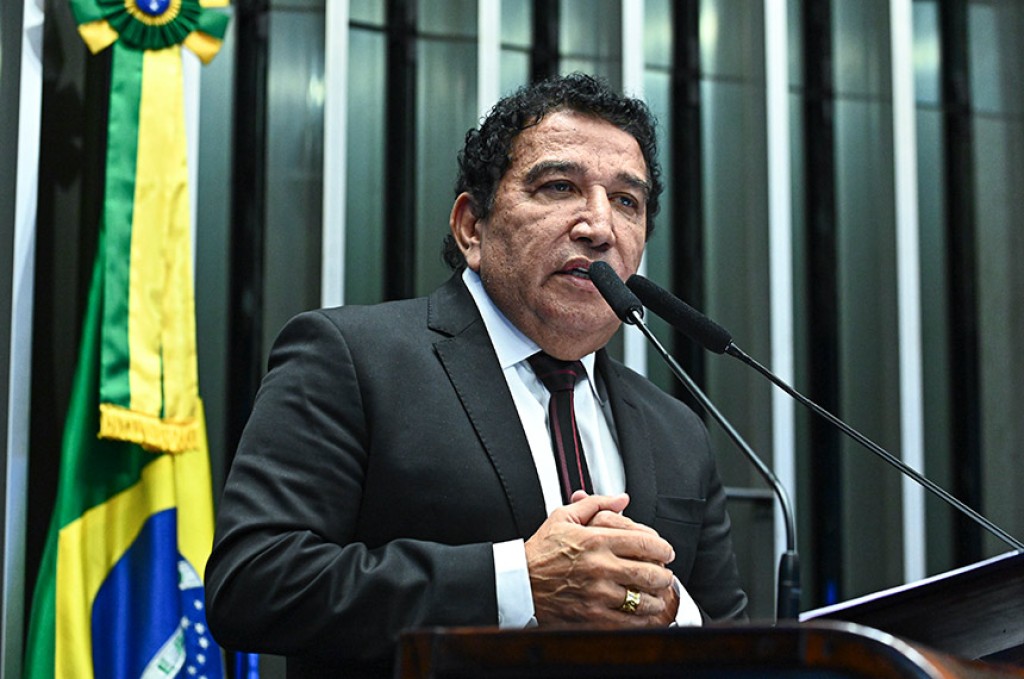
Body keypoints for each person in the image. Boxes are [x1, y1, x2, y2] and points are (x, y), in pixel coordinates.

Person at [205, 73, 747, 678]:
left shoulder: (678, 428)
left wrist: (668, 609)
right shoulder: (350, 359)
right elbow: (255, 584)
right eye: (560, 187)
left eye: (627, 201)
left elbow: (732, 640)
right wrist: (518, 583)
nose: (600, 227)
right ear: (471, 227)